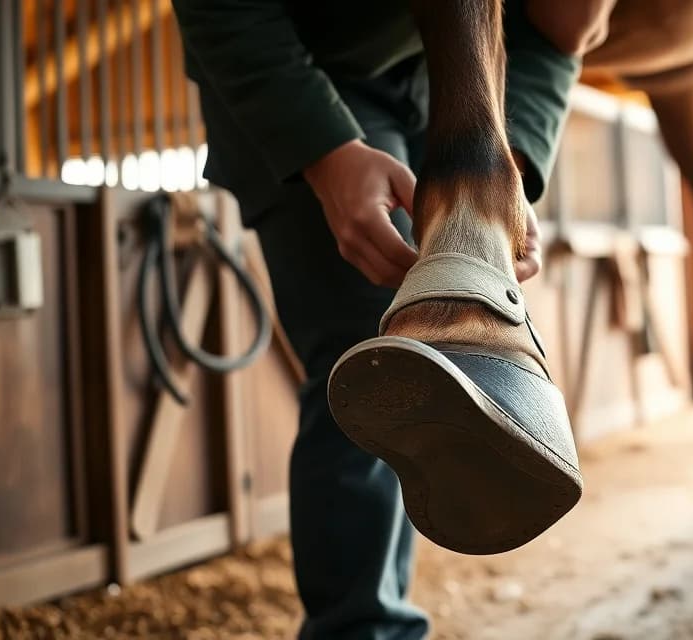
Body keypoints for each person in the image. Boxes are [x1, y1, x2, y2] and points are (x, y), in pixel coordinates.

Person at [170, 2, 609, 638]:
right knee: (368, 354)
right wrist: (323, 149)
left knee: (406, 357)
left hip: (448, 80)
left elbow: (561, 33)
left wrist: (513, 172)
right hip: (299, 62)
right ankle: (363, 629)